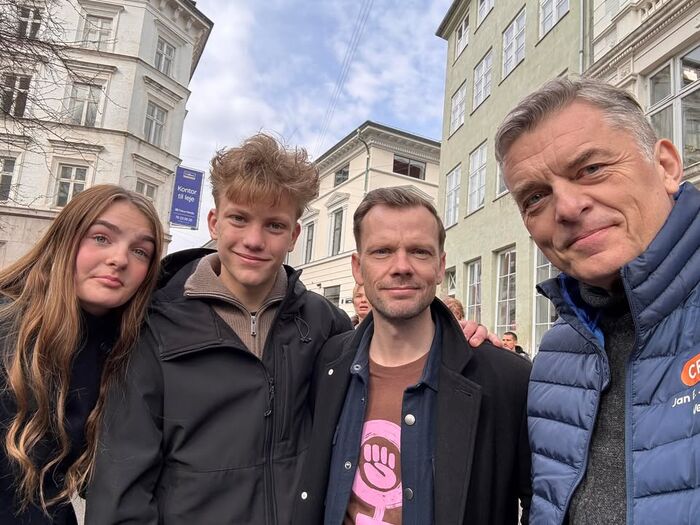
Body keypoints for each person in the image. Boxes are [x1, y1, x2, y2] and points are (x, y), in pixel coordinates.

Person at [87, 135, 495, 524]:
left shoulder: (323, 323)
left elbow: (397, 338)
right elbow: (121, 485)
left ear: (294, 235)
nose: (254, 240)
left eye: (274, 225)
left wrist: (456, 338)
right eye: (239, 218)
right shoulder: (155, 326)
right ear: (214, 222)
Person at [495, 76, 699, 524]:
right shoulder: (555, 355)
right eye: (536, 197)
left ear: (666, 166)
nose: (567, 208)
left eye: (591, 169)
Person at [293, 187, 532, 525]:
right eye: (382, 251)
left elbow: (541, 504)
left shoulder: (506, 379)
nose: (401, 267)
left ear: (440, 265)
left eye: (419, 252)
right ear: (358, 268)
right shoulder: (328, 363)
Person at [0, 185, 163, 524]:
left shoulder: (130, 349)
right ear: (65, 239)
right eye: (101, 238)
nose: (119, 259)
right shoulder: (7, 325)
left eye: (140, 251)